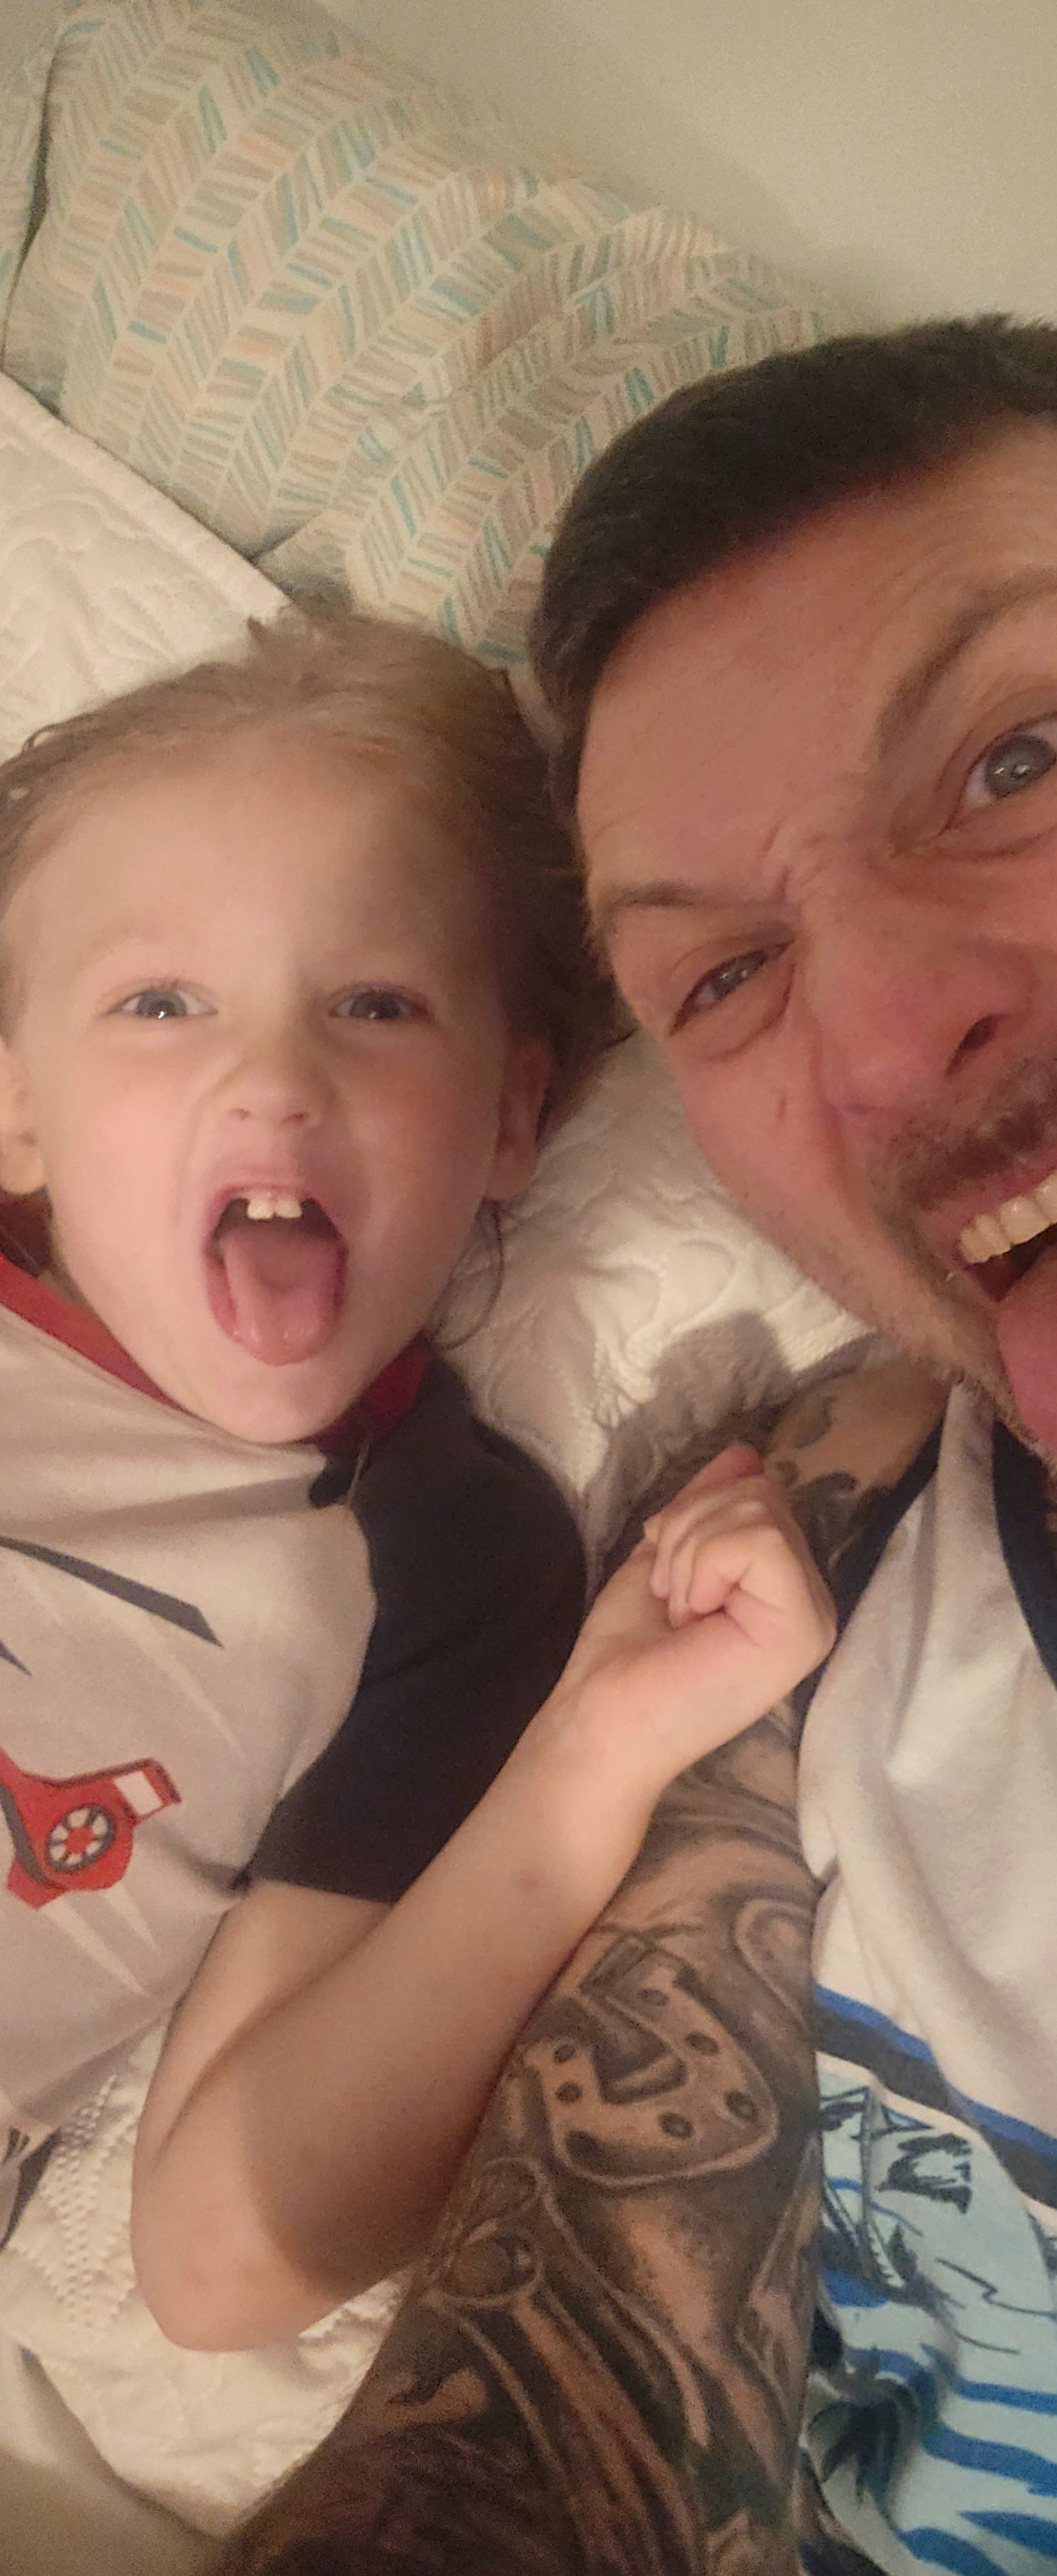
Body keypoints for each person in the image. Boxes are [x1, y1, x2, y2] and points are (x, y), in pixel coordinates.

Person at [153, 315, 1057, 2576]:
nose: (877, 1044)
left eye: (1014, 760)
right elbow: (562, 2432)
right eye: (726, 977)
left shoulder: (490, 1544)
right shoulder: (818, 1529)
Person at [0, 601, 627, 2345]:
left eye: (374, 1003)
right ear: (18, 1107)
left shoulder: (463, 1568)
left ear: (512, 1116)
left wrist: (606, 1753)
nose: (272, 1076)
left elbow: (222, 2269)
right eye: (159, 1001)